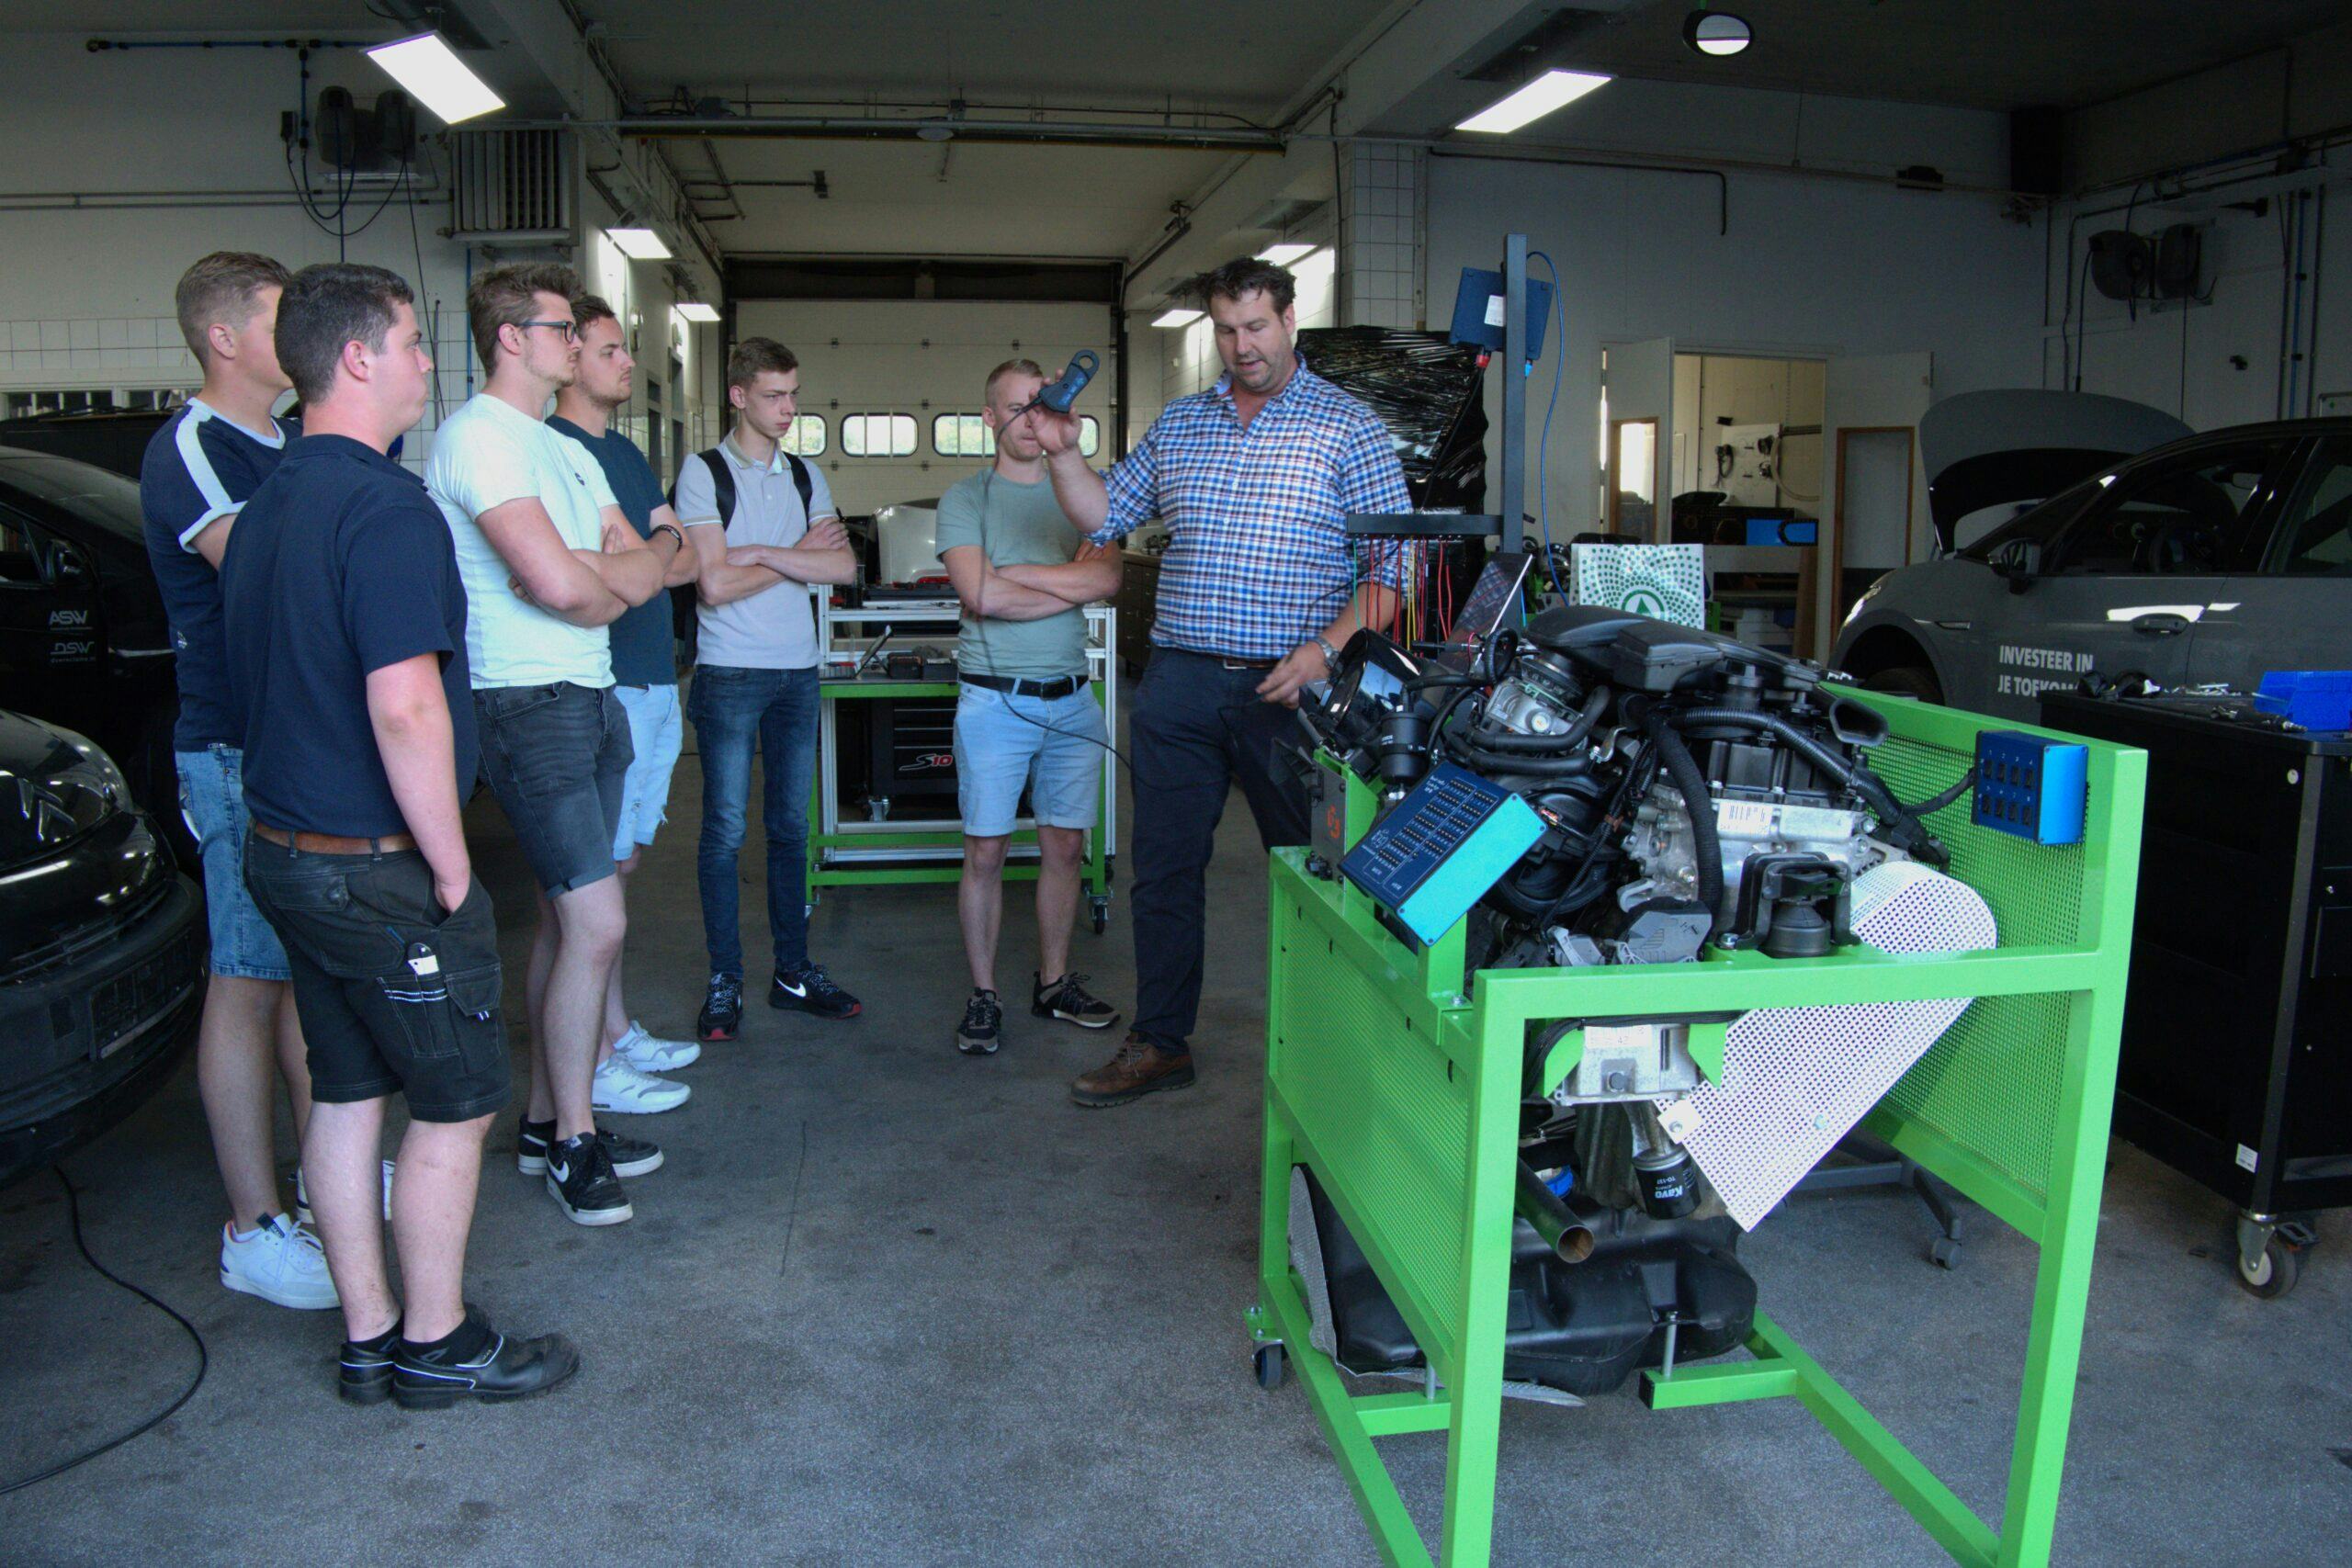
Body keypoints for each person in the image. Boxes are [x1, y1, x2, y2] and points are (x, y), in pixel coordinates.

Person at [220, 261, 576, 1406]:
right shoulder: (384, 507)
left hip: (285, 857)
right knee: (457, 1104)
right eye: (415, 341)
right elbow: (406, 705)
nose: (430, 360)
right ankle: (438, 1343)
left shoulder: (268, 502)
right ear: (358, 358)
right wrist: (453, 863)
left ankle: (368, 1335)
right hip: (376, 870)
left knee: (343, 1094)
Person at [1032, 256, 1409, 1107]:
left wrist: (1326, 650)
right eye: (1228, 330)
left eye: (1257, 326)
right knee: (1164, 869)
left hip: (1292, 692)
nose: (1243, 346)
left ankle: (1345, 1054)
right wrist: (1063, 454)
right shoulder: (1182, 422)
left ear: (1289, 320)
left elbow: (1397, 568)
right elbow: (1104, 513)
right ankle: (1161, 1042)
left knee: (1320, 876)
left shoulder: (1348, 427)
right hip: (1180, 685)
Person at [424, 263, 684, 1226]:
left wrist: (601, 572)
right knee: (598, 924)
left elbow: (645, 573)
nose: (576, 344)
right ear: (511, 338)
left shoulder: (561, 449)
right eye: (562, 329)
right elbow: (575, 585)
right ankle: (576, 1138)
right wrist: (601, 573)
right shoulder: (478, 438)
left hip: (592, 691)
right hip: (526, 704)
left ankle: (545, 1123)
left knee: (562, 921)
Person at [137, 251, 337, 1311]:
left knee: (303, 975)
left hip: (297, 745)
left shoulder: (288, 443)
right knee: (248, 977)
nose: (295, 336)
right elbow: (269, 573)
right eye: (276, 319)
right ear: (223, 337)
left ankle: (322, 1182)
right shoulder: (194, 449)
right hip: (235, 752)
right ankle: (254, 1228)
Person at [934, 358, 1124, 1055]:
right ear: (990, 417)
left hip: (1073, 700)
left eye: (1038, 406)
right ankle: (984, 994)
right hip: (995, 702)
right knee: (986, 850)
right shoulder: (965, 499)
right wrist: (1067, 582)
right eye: (1014, 408)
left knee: (1066, 847)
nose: (1028, 420)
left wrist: (1020, 576)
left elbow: (1108, 578)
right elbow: (980, 596)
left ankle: (1053, 984)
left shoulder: (1080, 495)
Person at [676, 338, 861, 1043]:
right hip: (729, 673)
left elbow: (841, 568)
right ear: (739, 396)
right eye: (774, 395)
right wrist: (796, 559)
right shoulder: (704, 473)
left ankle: (793, 972)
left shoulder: (806, 475)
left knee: (789, 829)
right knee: (724, 832)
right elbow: (714, 585)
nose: (789, 408)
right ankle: (725, 978)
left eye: (793, 394)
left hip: (796, 672)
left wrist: (758, 552)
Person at [545, 292, 704, 1110]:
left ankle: (613, 1029)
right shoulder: (553, 449)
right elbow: (612, 567)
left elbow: (682, 561)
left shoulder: (627, 453)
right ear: (569, 357)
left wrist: (645, 553)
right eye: (609, 350)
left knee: (621, 869)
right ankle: (592, 1065)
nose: (626, 363)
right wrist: (651, 554)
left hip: (653, 680)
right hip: (603, 686)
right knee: (586, 891)